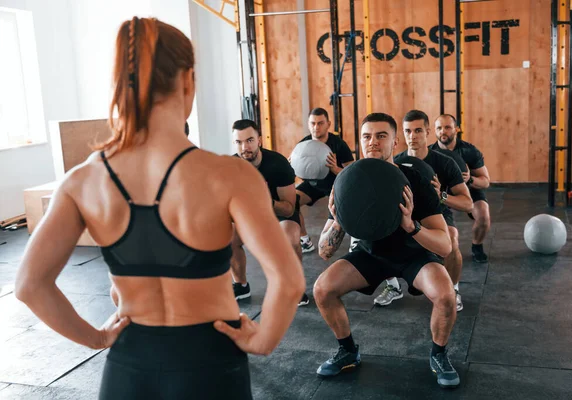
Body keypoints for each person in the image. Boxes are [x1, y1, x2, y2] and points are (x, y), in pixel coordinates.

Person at [14, 17, 305, 400]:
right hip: (212, 363)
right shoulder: (230, 175)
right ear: (188, 81)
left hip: (129, 367)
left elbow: (28, 286)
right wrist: (263, 340)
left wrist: (97, 338)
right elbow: (289, 281)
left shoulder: (82, 181)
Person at [315, 113, 459, 389]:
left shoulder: (416, 180)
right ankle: (347, 351)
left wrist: (411, 226)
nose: (373, 142)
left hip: (413, 254)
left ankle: (439, 355)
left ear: (394, 142)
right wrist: (339, 222)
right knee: (323, 289)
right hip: (371, 255)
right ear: (360, 142)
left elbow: (445, 244)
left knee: (445, 296)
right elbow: (324, 251)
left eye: (381, 136)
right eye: (367, 136)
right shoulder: (348, 182)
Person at [373, 110, 473, 312]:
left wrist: (441, 196)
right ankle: (393, 286)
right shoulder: (396, 162)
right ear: (401, 134)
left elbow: (468, 203)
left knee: (452, 237)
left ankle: (453, 289)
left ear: (428, 132)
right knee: (376, 233)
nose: (413, 136)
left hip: (436, 212)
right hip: (402, 214)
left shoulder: (445, 162)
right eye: (408, 131)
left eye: (418, 130)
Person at [231, 119, 309, 305]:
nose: (244, 147)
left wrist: (265, 200)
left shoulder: (278, 164)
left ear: (259, 140)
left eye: (249, 140)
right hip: (250, 214)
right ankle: (241, 286)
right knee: (227, 237)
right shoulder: (232, 166)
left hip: (279, 211)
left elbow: (290, 208)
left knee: (290, 237)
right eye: (239, 142)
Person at [430, 114, 491, 263]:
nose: (443, 131)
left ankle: (477, 246)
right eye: (439, 128)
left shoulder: (469, 151)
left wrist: (470, 179)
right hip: (442, 191)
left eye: (447, 127)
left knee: (483, 216)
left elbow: (485, 181)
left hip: (467, 189)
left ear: (456, 129)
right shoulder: (429, 152)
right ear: (434, 131)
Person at [295, 108, 354, 253]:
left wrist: (334, 168)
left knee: (350, 206)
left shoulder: (339, 144)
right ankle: (305, 241)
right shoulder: (304, 144)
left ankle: (356, 241)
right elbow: (300, 174)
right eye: (313, 123)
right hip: (313, 185)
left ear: (328, 124)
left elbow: (353, 176)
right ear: (308, 124)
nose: (316, 127)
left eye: (320, 123)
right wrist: (293, 166)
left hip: (336, 186)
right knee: (292, 201)